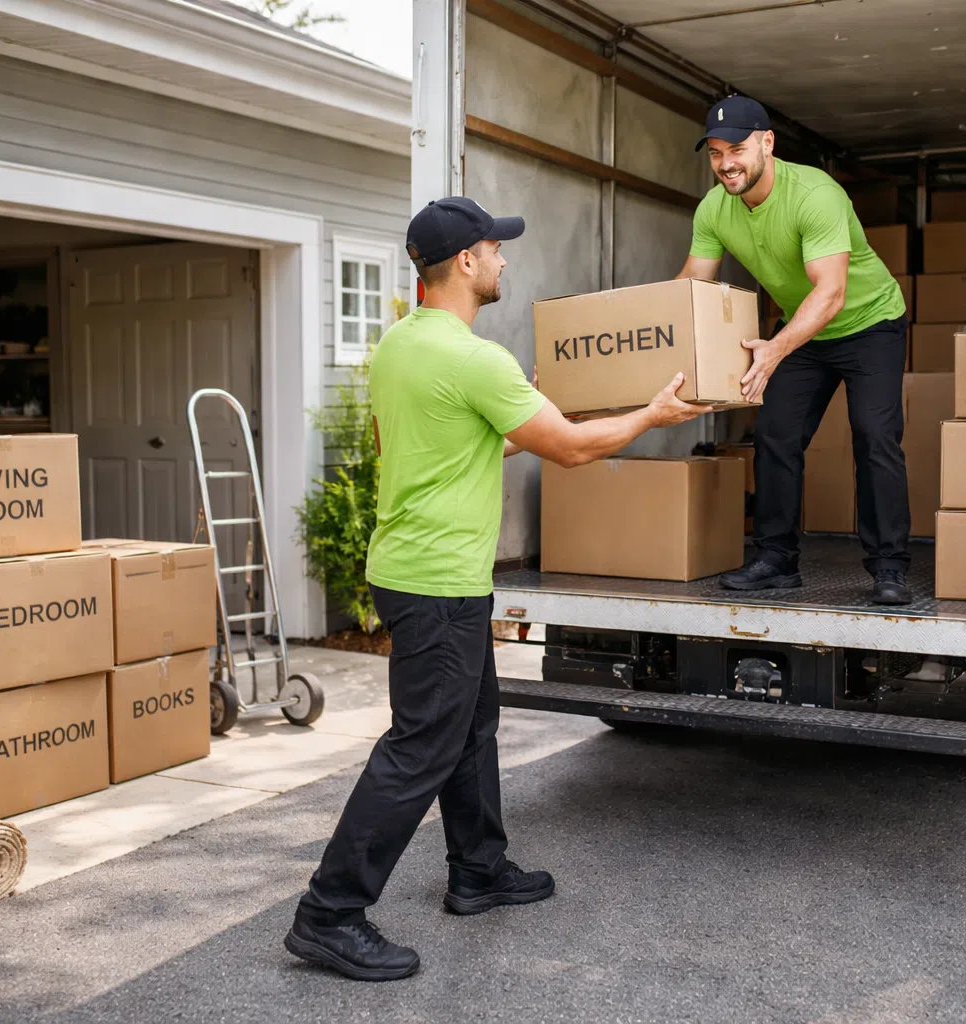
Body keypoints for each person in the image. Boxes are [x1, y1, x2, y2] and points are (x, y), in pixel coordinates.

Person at [285, 196, 709, 982]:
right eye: (495, 248)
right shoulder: (474, 360)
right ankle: (330, 912)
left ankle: (478, 870)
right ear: (466, 262)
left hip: (418, 571)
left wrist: (528, 414)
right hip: (438, 581)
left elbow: (449, 444)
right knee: (421, 746)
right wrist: (651, 415)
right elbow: (571, 450)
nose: (504, 258)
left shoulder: (399, 347)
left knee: (472, 727)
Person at [678, 96, 913, 606]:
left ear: (767, 142)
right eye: (715, 153)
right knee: (774, 433)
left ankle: (889, 566)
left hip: (870, 322)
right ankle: (776, 560)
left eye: (737, 149)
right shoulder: (714, 209)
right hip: (804, 329)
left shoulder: (814, 194)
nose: (726, 164)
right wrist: (653, 343)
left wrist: (774, 350)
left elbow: (831, 293)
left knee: (874, 434)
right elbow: (692, 285)